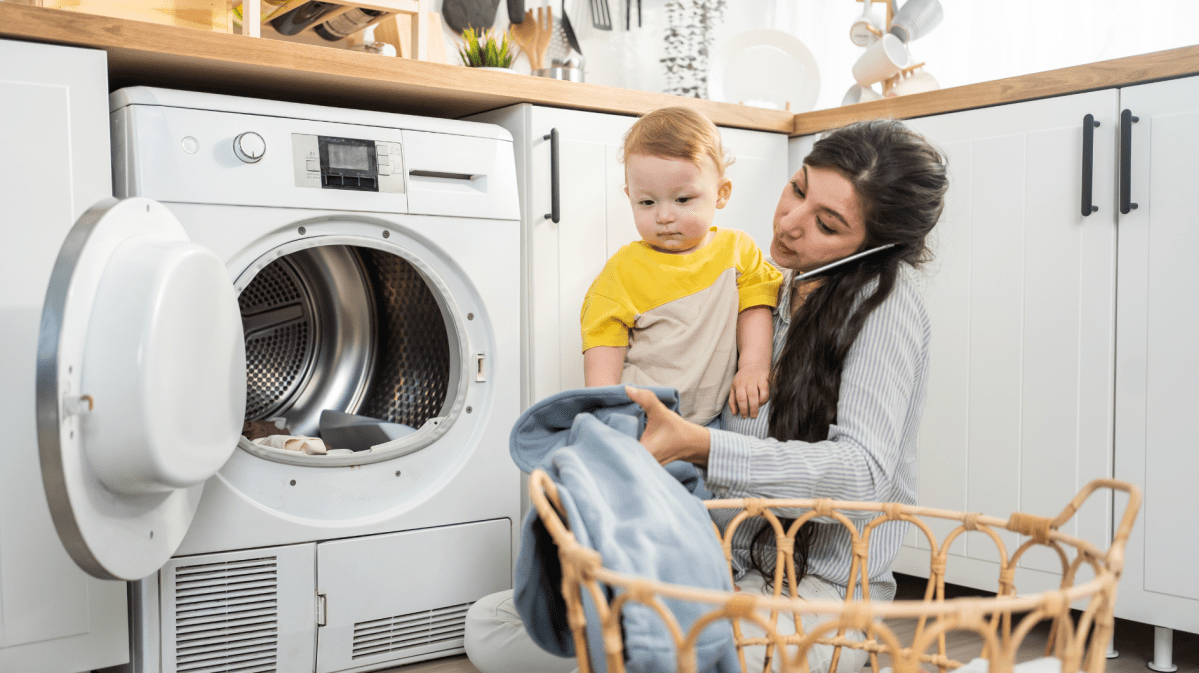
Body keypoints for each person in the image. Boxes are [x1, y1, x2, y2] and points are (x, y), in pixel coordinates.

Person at [463, 119, 949, 673]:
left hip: (816, 594)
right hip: (719, 570)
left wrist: (699, 446)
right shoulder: (763, 294)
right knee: (493, 622)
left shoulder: (886, 305)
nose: (789, 223)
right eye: (797, 188)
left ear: (874, 247)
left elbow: (864, 473)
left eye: (826, 224)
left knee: (654, 654)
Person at [581, 106, 783, 424]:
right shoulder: (623, 270)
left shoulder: (737, 250)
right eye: (647, 202)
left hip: (712, 420)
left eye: (683, 200)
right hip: (641, 418)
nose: (664, 216)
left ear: (721, 192)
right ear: (630, 196)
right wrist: (605, 411)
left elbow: (756, 305)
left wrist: (754, 365)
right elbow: (603, 340)